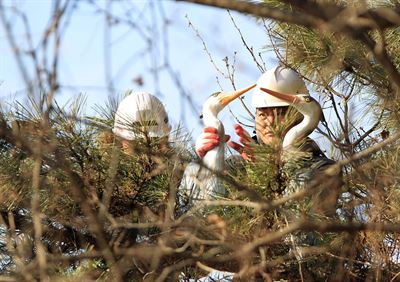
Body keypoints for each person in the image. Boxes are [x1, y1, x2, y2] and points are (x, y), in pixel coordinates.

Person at [195, 66, 341, 216]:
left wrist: (268, 169)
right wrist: (206, 160)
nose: (270, 121)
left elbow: (305, 221)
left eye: (281, 113)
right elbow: (201, 213)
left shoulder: (325, 170)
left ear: (300, 116)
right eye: (263, 114)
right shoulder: (237, 167)